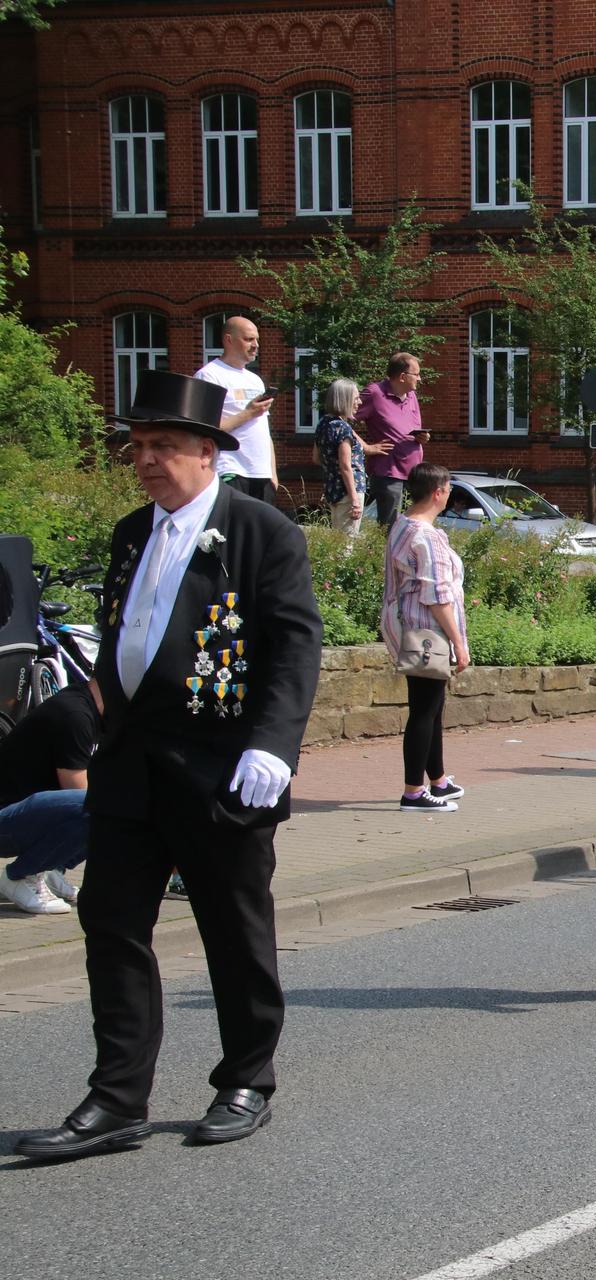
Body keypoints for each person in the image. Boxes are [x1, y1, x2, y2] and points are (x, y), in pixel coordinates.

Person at [16, 370, 322, 1161]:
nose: (147, 460)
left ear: (209, 455)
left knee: (233, 925)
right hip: (130, 767)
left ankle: (246, 1076)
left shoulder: (261, 533)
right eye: (140, 446)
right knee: (112, 923)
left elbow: (294, 646)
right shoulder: (132, 531)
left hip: (221, 766)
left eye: (165, 446)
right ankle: (118, 1096)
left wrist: (272, 745)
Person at [382, 463, 472, 813]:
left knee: (432, 708)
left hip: (409, 628)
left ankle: (438, 779)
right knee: (424, 710)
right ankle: (413, 792)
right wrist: (459, 645)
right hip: (427, 635)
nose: (449, 494)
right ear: (438, 492)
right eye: (448, 489)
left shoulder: (403, 526)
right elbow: (438, 597)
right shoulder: (427, 537)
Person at [0, 683, 101, 915]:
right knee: (94, 806)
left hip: (22, 817)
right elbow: (79, 792)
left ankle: (52, 869)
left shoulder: (101, 716)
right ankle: (20, 875)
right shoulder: (74, 714)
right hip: (5, 818)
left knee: (115, 799)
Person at [193, 316, 277, 501]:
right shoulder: (209, 375)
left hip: (261, 475)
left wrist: (272, 473)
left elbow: (264, 429)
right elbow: (203, 429)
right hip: (231, 471)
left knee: (260, 530)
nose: (255, 345)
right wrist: (248, 413)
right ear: (228, 339)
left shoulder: (254, 379)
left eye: (257, 340)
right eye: (248, 339)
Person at [356, 353, 430, 526]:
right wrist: (366, 447)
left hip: (414, 474)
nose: (419, 379)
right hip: (389, 474)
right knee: (391, 528)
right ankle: (387, 554)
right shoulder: (375, 393)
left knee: (413, 527)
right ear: (403, 376)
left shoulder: (411, 396)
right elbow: (340, 420)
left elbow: (409, 428)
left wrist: (422, 437)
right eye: (416, 374)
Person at [316, 378, 375, 535]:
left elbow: (316, 457)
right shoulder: (343, 428)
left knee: (338, 540)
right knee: (346, 545)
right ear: (344, 400)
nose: (359, 402)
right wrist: (355, 500)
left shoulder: (323, 423)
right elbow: (345, 466)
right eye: (356, 398)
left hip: (332, 490)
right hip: (348, 493)